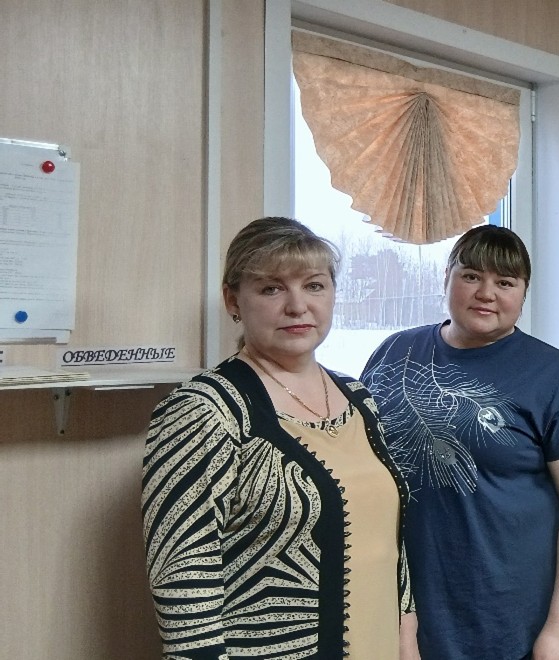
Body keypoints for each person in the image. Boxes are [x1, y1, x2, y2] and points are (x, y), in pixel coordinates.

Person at [142, 216, 416, 658]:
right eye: (271, 289)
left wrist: (407, 640)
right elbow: (183, 579)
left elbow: (389, 544)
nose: (297, 306)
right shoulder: (205, 410)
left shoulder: (358, 397)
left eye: (314, 285)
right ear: (233, 300)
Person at [361, 225, 559, 660]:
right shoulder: (393, 352)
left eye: (505, 282)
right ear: (447, 278)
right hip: (400, 604)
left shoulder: (553, 375)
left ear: (524, 293)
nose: (486, 293)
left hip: (506, 611)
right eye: (471, 275)